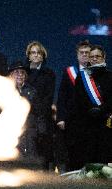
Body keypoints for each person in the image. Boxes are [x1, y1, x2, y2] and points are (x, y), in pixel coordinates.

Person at [73, 45, 112, 167]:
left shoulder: (110, 75)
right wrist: (89, 110)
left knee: (103, 154)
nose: (94, 59)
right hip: (87, 122)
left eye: (97, 56)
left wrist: (101, 109)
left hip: (105, 121)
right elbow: (78, 98)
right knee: (88, 154)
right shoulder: (82, 76)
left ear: (104, 57)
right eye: (92, 56)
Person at [56, 40, 92, 171]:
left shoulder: (97, 72)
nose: (84, 55)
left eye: (87, 53)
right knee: (72, 153)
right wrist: (60, 118)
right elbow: (61, 96)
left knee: (90, 152)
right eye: (81, 53)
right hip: (72, 121)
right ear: (77, 55)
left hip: (91, 120)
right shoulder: (69, 72)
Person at [25, 41, 56, 170]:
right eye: (33, 52)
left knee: (43, 150)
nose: (36, 55)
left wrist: (37, 109)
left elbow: (49, 96)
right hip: (25, 116)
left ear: (43, 55)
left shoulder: (49, 73)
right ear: (28, 55)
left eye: (39, 53)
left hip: (42, 117)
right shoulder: (22, 72)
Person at [8, 60, 45, 159]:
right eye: (16, 72)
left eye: (22, 73)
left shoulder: (32, 91)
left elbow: (39, 112)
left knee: (31, 159)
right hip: (11, 132)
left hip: (30, 132)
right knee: (14, 159)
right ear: (11, 75)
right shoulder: (5, 90)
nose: (20, 75)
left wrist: (40, 130)